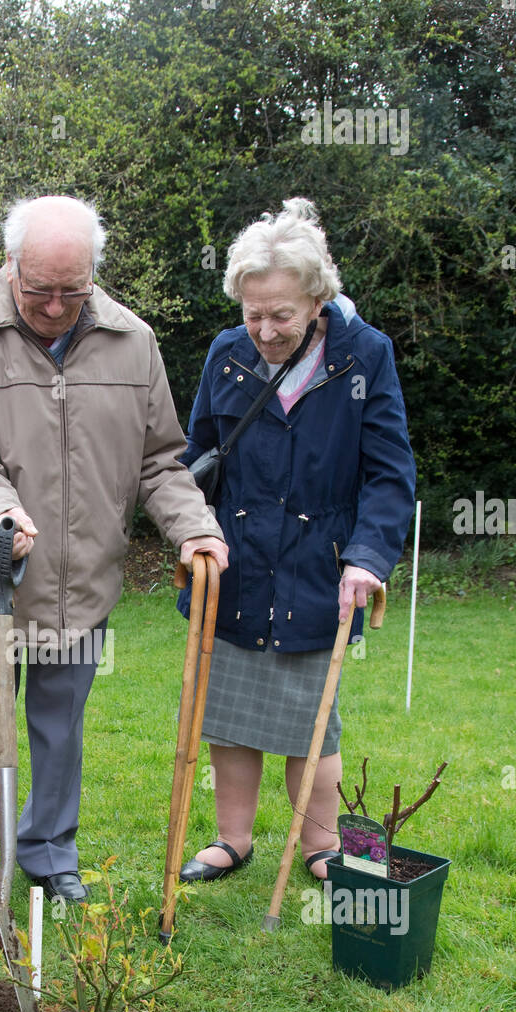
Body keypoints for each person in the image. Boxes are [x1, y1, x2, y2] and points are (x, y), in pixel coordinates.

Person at [0, 194, 228, 910]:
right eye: (40, 289)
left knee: (59, 734)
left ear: (94, 274)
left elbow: (161, 462)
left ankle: (50, 856)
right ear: (11, 265)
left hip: (82, 586)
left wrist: (195, 527)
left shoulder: (131, 341)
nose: (55, 306)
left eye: (72, 290)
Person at [177, 197, 415, 887]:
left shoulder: (365, 356)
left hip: (318, 569)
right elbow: (197, 454)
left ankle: (321, 847)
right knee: (230, 716)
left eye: (281, 314)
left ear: (318, 298)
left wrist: (368, 559)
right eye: (253, 312)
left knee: (313, 720)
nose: (265, 329)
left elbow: (390, 473)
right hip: (237, 565)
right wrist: (195, 529)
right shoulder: (227, 353)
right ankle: (233, 841)